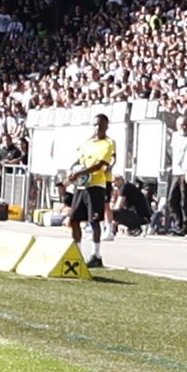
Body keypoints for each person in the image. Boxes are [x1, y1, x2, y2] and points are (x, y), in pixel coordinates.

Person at [69, 111, 117, 265]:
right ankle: (77, 253)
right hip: (81, 185)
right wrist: (72, 170)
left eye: (101, 125)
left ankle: (96, 255)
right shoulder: (87, 142)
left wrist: (81, 173)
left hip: (96, 185)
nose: (98, 128)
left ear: (106, 126)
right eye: (95, 125)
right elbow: (79, 160)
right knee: (74, 219)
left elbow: (101, 164)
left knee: (94, 220)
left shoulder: (108, 143)